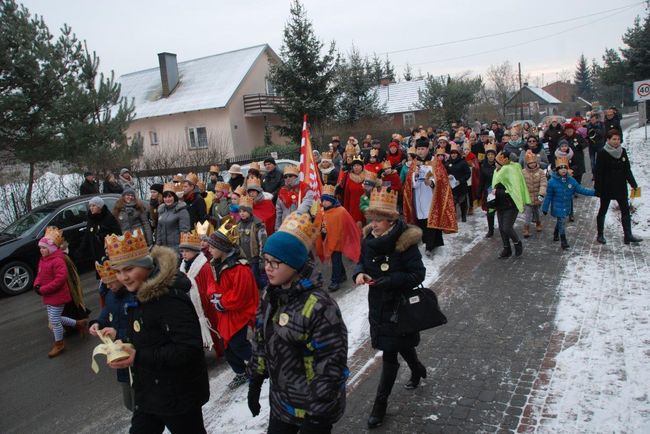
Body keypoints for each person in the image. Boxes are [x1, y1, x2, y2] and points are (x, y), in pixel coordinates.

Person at [247, 210, 348, 434]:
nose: (268, 268)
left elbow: (330, 364)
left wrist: (318, 415)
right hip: (282, 403)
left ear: (294, 265)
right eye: (266, 261)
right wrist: (255, 379)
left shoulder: (320, 306)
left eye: (276, 263)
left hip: (313, 410)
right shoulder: (269, 295)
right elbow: (261, 340)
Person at [104, 229, 210, 433]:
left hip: (178, 394)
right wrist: (120, 338)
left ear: (145, 266)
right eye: (118, 271)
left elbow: (188, 349)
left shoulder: (171, 299)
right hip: (149, 392)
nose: (123, 277)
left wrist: (138, 356)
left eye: (129, 269)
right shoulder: (138, 293)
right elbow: (147, 334)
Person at [353, 186, 427, 429]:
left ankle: (379, 406)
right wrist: (359, 273)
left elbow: (417, 274)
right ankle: (417, 369)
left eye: (378, 221)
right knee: (396, 344)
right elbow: (360, 262)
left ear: (391, 220)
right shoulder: (368, 240)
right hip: (378, 305)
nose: (373, 225)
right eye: (371, 220)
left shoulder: (405, 242)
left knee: (390, 353)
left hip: (399, 306)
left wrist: (389, 281)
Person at [205, 220, 259, 389]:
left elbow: (240, 296)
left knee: (238, 344)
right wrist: (214, 296)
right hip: (226, 314)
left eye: (213, 247)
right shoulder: (216, 265)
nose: (209, 249)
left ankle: (259, 366)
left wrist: (221, 302)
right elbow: (211, 285)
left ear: (222, 248)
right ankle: (240, 372)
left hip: (239, 313)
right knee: (227, 347)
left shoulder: (239, 268)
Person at [89, 260, 136, 410]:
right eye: (106, 283)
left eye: (111, 283)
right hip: (119, 353)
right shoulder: (111, 294)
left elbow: (140, 328)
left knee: (139, 400)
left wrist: (118, 333)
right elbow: (107, 312)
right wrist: (97, 323)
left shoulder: (133, 297)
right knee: (129, 401)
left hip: (135, 352)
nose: (108, 286)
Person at [34, 227, 87, 358]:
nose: (42, 250)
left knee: (54, 321)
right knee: (56, 318)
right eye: (40, 248)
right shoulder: (43, 260)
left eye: (44, 248)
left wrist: (43, 289)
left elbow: (60, 280)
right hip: (48, 296)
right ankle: (78, 323)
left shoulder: (58, 260)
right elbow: (40, 275)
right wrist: (36, 284)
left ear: (51, 249)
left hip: (58, 296)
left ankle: (59, 343)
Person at [594, 130, 642, 245]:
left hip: (620, 186)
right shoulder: (602, 153)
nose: (616, 142)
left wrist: (633, 184)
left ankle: (628, 235)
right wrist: (598, 189)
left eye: (618, 139)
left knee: (625, 211)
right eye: (614, 139)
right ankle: (600, 234)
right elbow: (598, 172)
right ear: (608, 140)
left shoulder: (623, 151)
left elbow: (627, 170)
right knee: (603, 210)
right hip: (607, 186)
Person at [77, 196, 122, 307]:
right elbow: (87, 237)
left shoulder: (108, 218)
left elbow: (117, 233)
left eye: (93, 206)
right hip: (97, 254)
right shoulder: (91, 219)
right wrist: (80, 251)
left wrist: (102, 235)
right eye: (90, 206)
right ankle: (107, 301)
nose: (91, 208)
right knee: (103, 279)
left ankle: (117, 297)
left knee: (112, 277)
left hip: (109, 254)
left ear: (100, 207)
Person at [178, 229, 218, 352]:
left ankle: (220, 348)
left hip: (204, 302)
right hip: (190, 301)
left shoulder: (204, 266)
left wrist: (207, 297)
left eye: (187, 251)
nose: (184, 254)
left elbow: (210, 283)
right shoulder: (183, 266)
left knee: (213, 324)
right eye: (182, 251)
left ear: (195, 252)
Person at [542, 156, 595, 249]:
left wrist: (594, 192)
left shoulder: (571, 180)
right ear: (557, 170)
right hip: (557, 206)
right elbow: (548, 196)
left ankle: (555, 233)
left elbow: (580, 189)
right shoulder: (552, 182)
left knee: (560, 221)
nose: (563, 170)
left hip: (566, 205)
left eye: (565, 168)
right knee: (562, 221)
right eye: (561, 168)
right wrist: (545, 208)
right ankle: (563, 241)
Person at [319, 184, 360, 291]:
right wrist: (322, 229)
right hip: (329, 238)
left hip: (338, 239)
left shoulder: (341, 211)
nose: (323, 203)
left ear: (332, 200)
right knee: (336, 260)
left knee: (335, 261)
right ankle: (342, 275)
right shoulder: (323, 211)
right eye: (322, 200)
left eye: (326, 200)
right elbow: (321, 223)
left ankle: (335, 281)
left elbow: (347, 225)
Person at [492, 151, 530, 258]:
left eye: (496, 162)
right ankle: (506, 249)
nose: (495, 164)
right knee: (501, 227)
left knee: (507, 227)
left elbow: (514, 190)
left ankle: (517, 243)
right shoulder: (497, 171)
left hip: (511, 205)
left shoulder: (510, 170)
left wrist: (497, 192)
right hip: (500, 204)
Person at [237, 195, 268, 291]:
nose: (242, 214)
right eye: (240, 211)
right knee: (246, 281)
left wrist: (262, 260)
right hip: (242, 259)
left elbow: (263, 242)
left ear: (250, 212)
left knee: (255, 279)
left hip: (254, 259)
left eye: (245, 211)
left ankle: (264, 290)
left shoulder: (257, 224)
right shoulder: (238, 224)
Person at [156, 183, 191, 251]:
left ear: (174, 197)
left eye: (170, 196)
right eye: (165, 197)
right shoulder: (162, 210)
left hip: (176, 249)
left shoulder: (181, 211)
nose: (167, 199)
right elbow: (159, 230)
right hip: (164, 249)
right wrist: (158, 246)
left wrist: (181, 250)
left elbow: (184, 232)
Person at [522, 151, 548, 238]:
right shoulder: (523, 172)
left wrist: (541, 193)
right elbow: (521, 184)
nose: (532, 164)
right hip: (528, 197)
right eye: (530, 163)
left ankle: (538, 223)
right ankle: (526, 228)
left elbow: (543, 183)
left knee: (536, 212)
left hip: (537, 196)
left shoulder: (540, 172)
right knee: (528, 213)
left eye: (534, 163)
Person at [446, 143, 471, 222]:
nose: (453, 155)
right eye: (452, 153)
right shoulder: (447, 163)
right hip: (452, 187)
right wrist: (448, 176)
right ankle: (454, 216)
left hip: (461, 186)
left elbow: (468, 173)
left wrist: (460, 180)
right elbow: (445, 173)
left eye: (455, 153)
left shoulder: (463, 162)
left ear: (457, 154)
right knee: (452, 203)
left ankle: (463, 215)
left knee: (463, 202)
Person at [340, 155, 367, 229]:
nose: (356, 167)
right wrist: (346, 210)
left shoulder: (367, 177)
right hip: (353, 207)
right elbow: (346, 195)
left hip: (365, 206)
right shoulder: (349, 177)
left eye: (358, 165)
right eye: (354, 166)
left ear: (362, 167)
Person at [479, 143, 498, 237]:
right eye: (489, 155)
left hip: (500, 192)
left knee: (501, 211)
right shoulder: (483, 167)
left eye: (492, 154)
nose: (490, 156)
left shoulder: (500, 166)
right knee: (490, 212)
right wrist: (479, 193)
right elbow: (481, 181)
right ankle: (491, 230)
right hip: (489, 193)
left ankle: (503, 228)